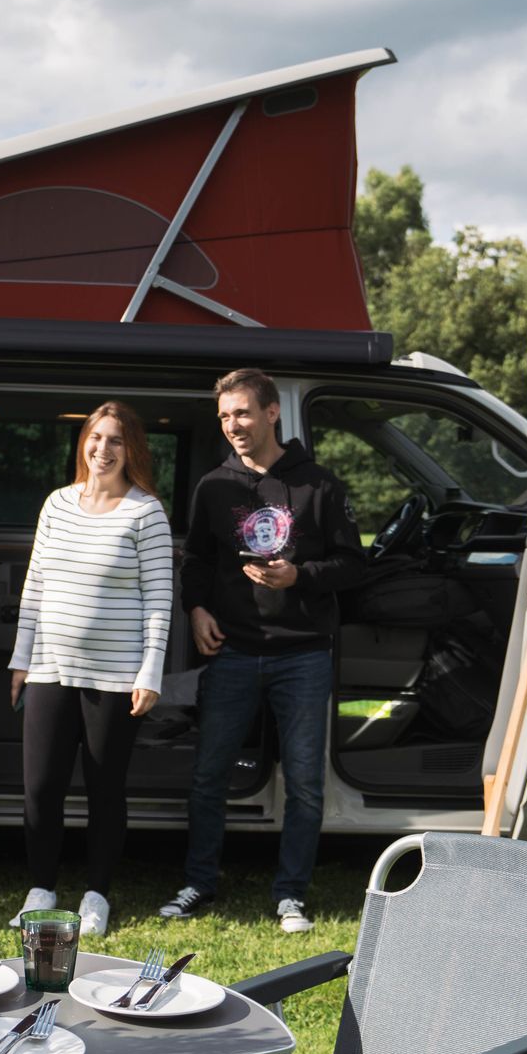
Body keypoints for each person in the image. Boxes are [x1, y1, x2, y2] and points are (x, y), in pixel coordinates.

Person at [163, 368, 365, 933]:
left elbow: (353, 565)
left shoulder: (319, 485)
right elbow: (197, 560)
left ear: (273, 413)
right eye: (225, 416)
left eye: (244, 413)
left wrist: (299, 574)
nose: (233, 426)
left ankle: (291, 894)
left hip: (302, 654)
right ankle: (199, 882)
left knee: (304, 780)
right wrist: (197, 610)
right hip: (232, 651)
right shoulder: (214, 486)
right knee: (209, 774)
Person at [8, 401, 174, 938]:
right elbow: (33, 586)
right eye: (96, 438)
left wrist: (150, 671)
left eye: (116, 441)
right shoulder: (57, 504)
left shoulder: (145, 513)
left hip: (116, 677)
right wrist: (20, 658)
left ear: (133, 452)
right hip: (49, 667)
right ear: (84, 442)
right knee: (41, 786)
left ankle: (96, 894)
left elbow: (158, 600)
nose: (103, 449)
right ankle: (41, 888)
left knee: (104, 788)